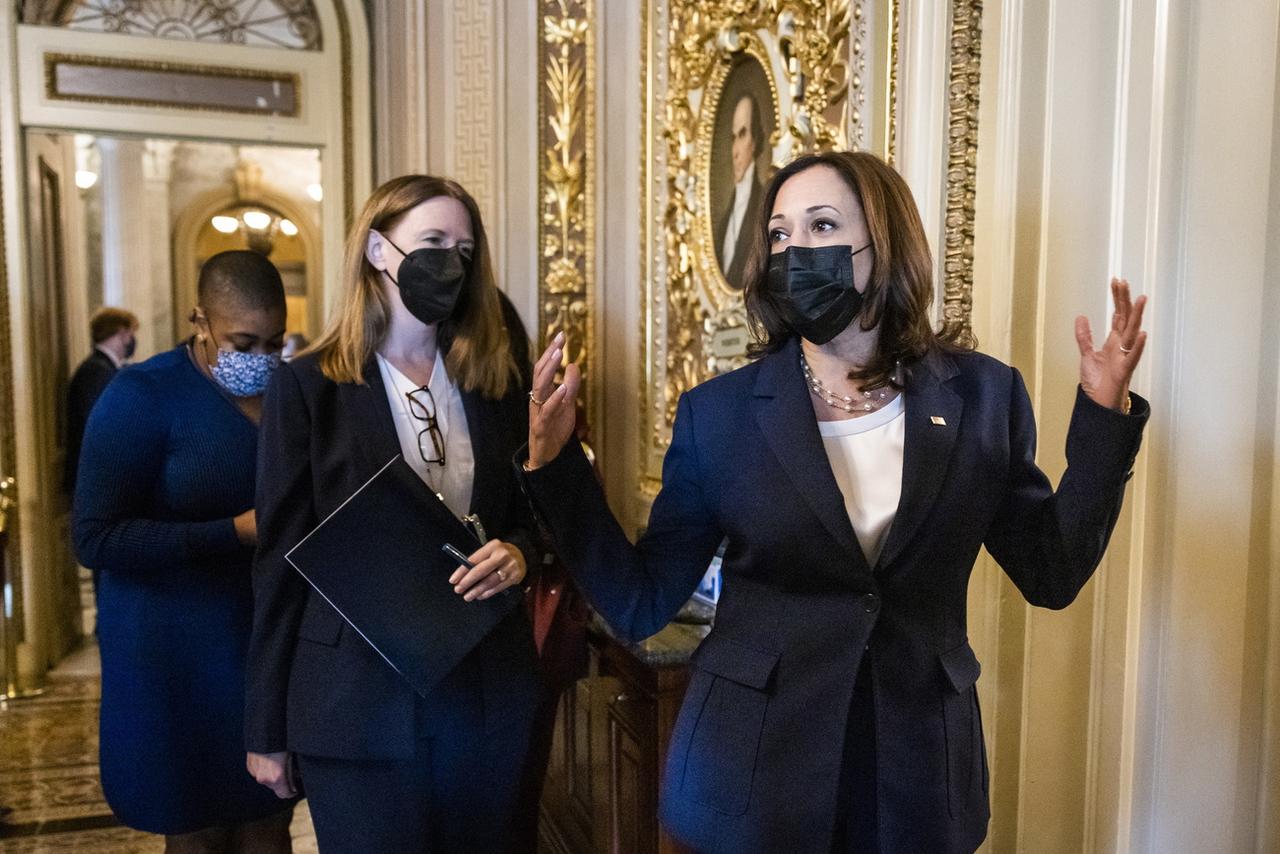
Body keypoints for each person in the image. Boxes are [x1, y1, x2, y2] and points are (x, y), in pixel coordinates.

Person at [521, 151, 1150, 854]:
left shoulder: (982, 397)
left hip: (915, 776)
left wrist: (1104, 413)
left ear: (886, 247)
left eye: (822, 225)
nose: (796, 250)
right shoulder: (720, 415)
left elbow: (1052, 570)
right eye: (781, 235)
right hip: (756, 773)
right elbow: (642, 599)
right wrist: (554, 470)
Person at [245, 175, 543, 853]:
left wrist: (521, 551)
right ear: (379, 250)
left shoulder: (493, 380)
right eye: (433, 241)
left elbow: (535, 516)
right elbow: (280, 560)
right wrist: (266, 726)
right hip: (354, 701)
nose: (452, 262)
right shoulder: (309, 387)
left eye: (464, 250)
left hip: (484, 692)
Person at [73, 251, 293, 853]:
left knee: (269, 829)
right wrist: (232, 532)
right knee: (198, 834)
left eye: (275, 342)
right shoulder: (140, 396)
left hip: (262, 649)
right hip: (171, 655)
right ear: (200, 321)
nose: (261, 359)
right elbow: (94, 537)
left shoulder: (289, 392)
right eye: (243, 341)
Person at [64, 307, 138, 497]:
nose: (132, 340)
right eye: (131, 333)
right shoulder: (97, 371)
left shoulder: (103, 368)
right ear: (122, 332)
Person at [715, 92, 766, 287]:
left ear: (754, 141)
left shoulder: (763, 206)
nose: (735, 151)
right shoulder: (725, 220)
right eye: (733, 137)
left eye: (742, 134)